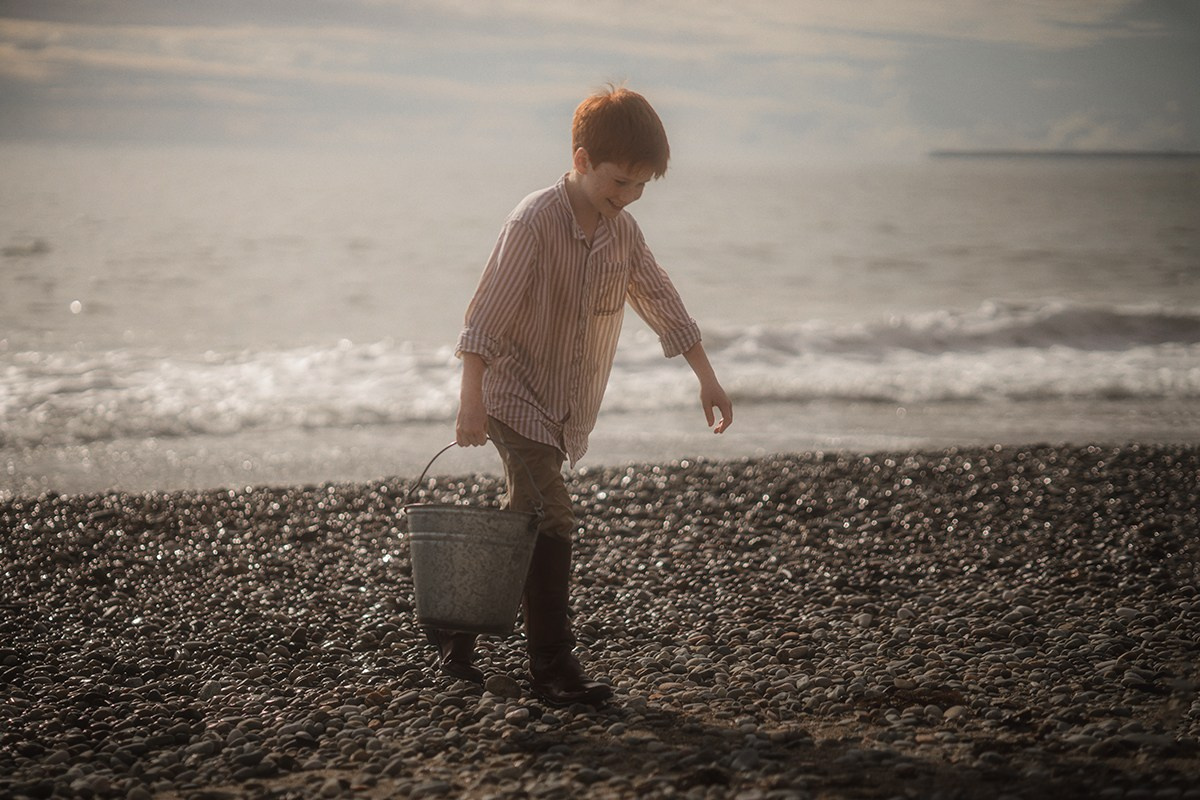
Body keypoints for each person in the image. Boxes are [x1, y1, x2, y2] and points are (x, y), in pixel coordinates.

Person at [431, 84, 733, 707]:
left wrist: (706, 374)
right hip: (513, 398)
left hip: (566, 409)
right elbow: (486, 313)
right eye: (618, 182)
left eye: (639, 187)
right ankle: (552, 666)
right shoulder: (535, 220)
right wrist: (471, 398)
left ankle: (454, 626)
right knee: (552, 514)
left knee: (523, 525)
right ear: (581, 159)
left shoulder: (622, 232)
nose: (625, 197)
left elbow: (660, 300)